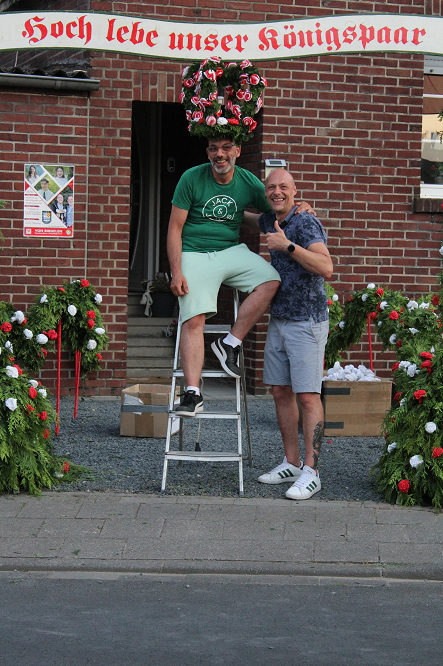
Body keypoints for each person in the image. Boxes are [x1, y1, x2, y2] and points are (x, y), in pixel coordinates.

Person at [167, 138, 313, 417]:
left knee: (270, 280)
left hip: (230, 250)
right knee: (194, 318)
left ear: (237, 151)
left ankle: (230, 343)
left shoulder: (247, 181)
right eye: (213, 148)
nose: (219, 154)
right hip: (194, 252)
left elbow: (276, 206)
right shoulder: (191, 178)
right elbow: (174, 227)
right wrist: (176, 271)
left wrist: (299, 206)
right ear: (207, 152)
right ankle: (193, 393)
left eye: (226, 148)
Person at [257, 169, 333, 500]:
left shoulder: (305, 223)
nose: (277, 192)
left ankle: (312, 472)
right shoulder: (270, 219)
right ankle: (291, 463)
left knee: (307, 396)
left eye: (283, 187)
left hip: (307, 321)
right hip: (280, 319)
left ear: (294, 190)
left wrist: (287, 246)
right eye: (271, 187)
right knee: (280, 391)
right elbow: (246, 218)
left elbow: (326, 267)